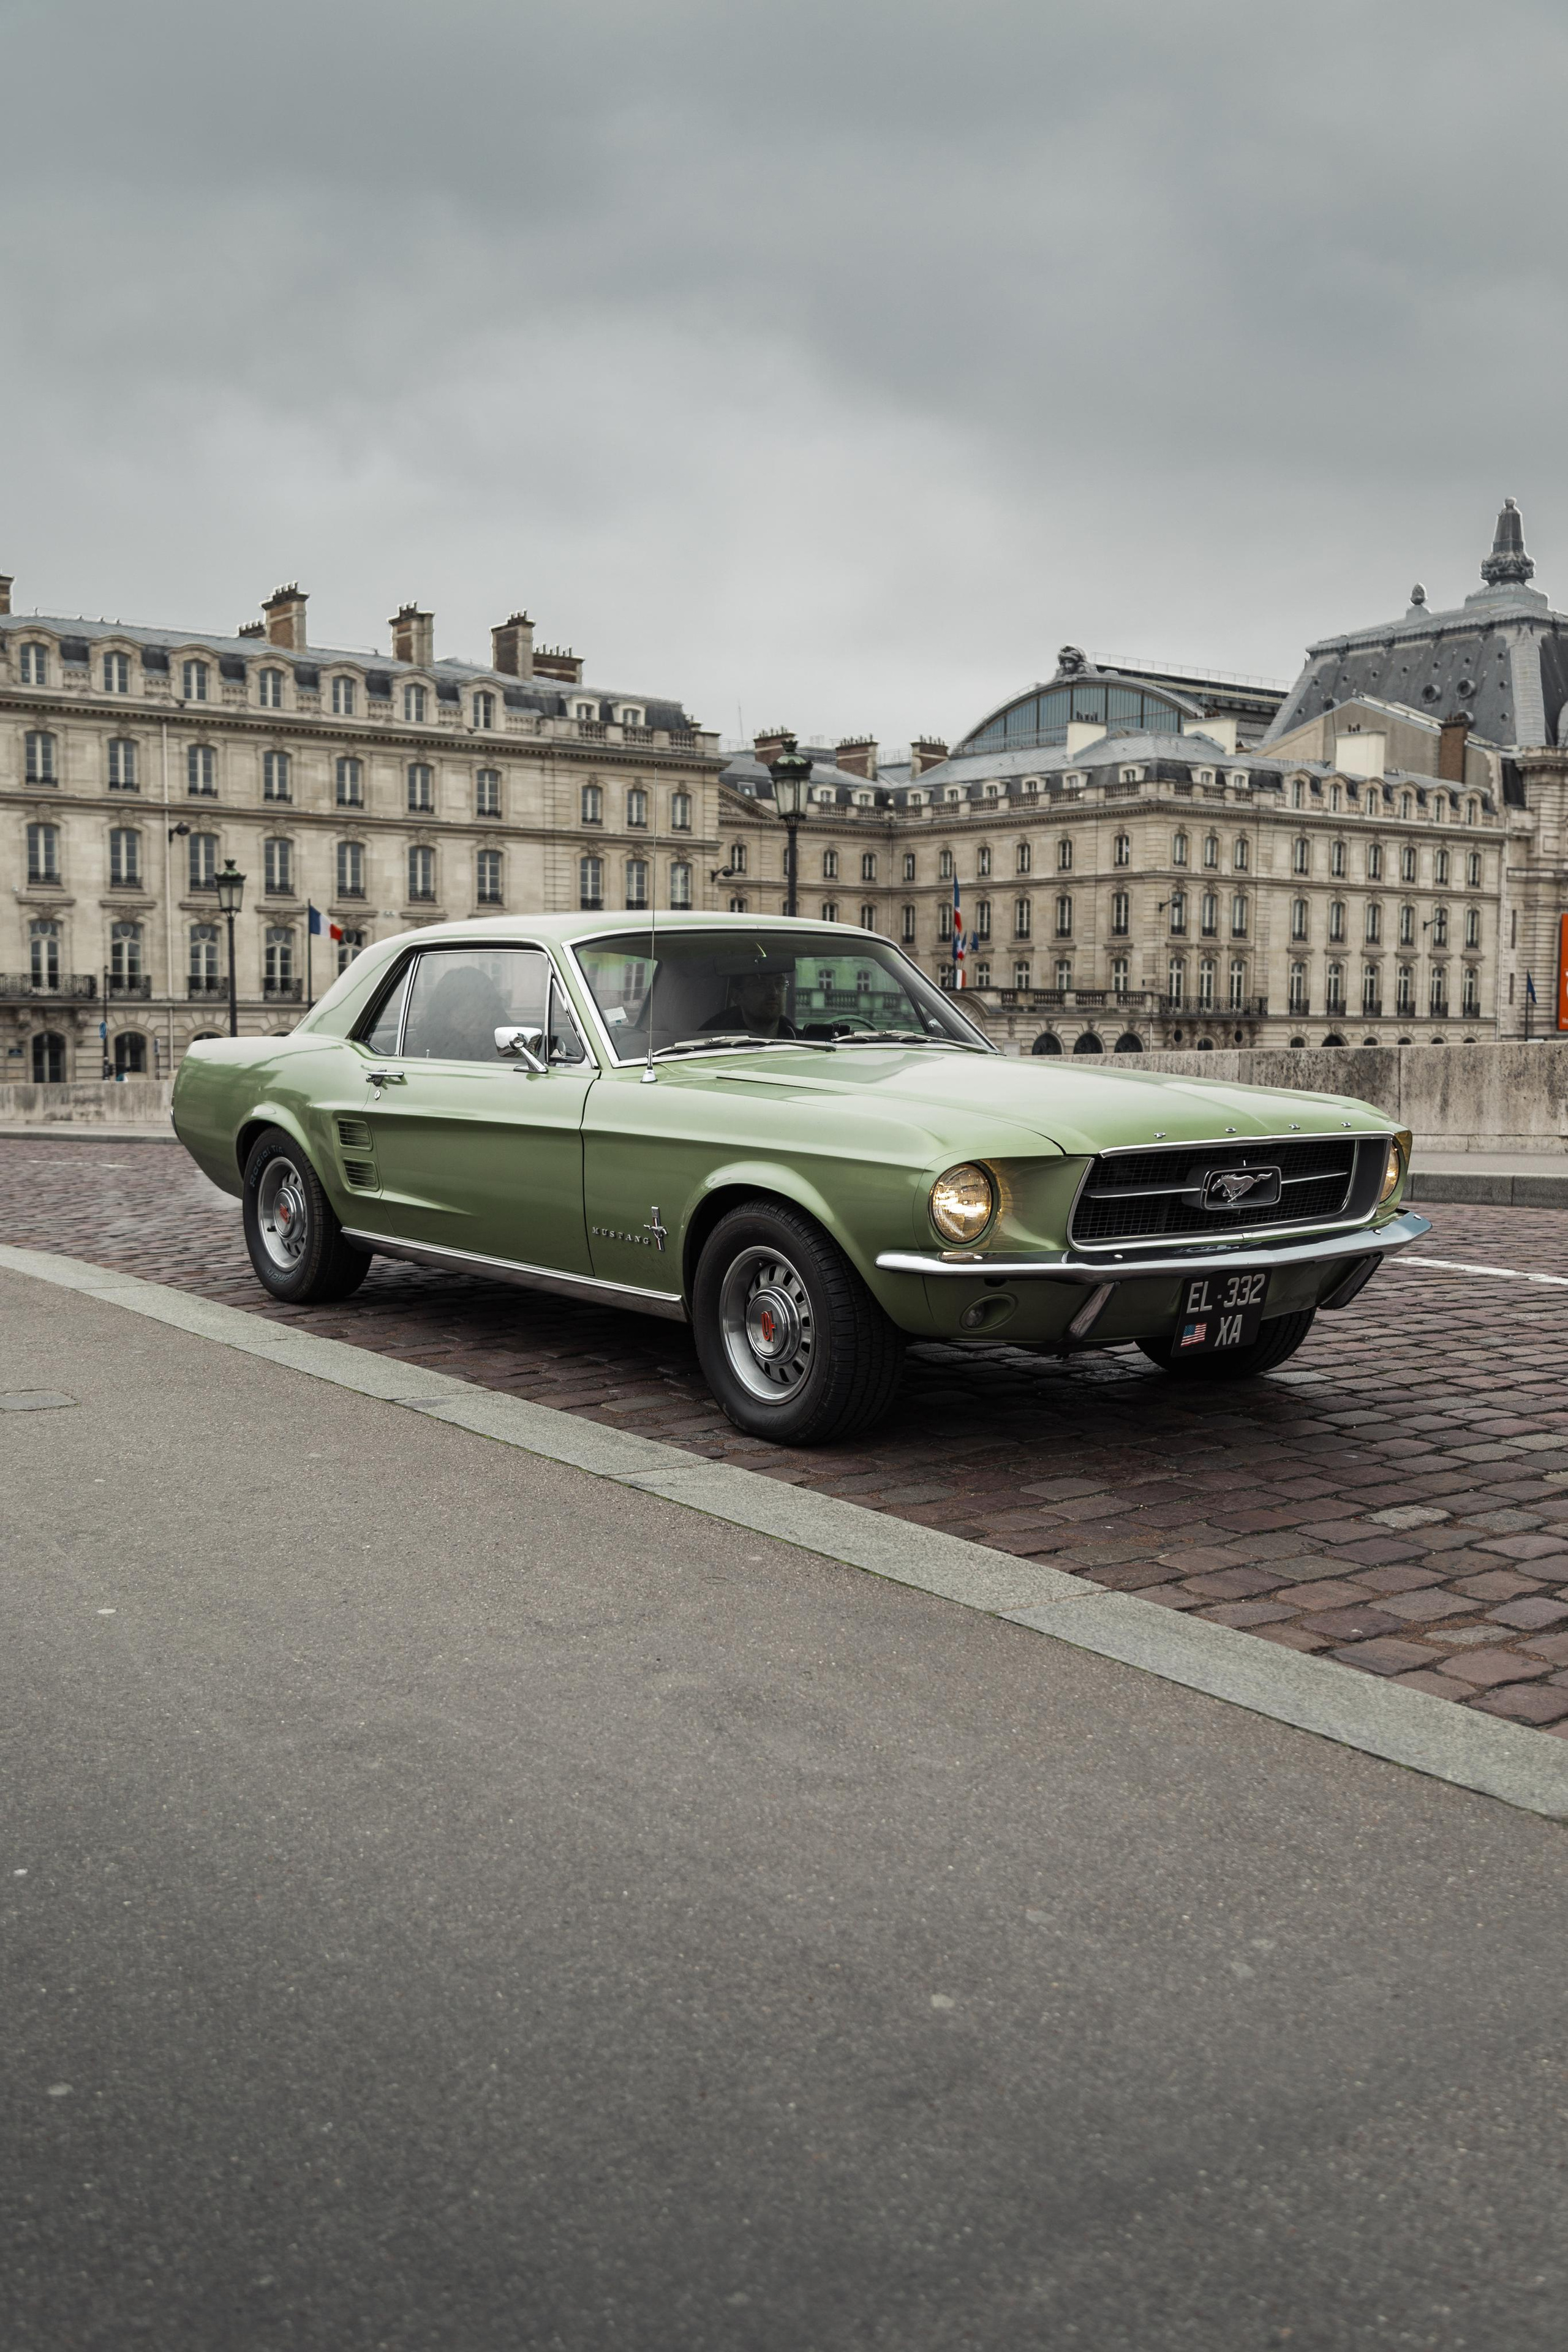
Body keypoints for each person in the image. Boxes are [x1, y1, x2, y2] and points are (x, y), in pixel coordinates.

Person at [701, 970, 797, 1038]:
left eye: (779, 984)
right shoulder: (710, 1044)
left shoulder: (803, 1042)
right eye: (760, 985)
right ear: (737, 996)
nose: (774, 993)